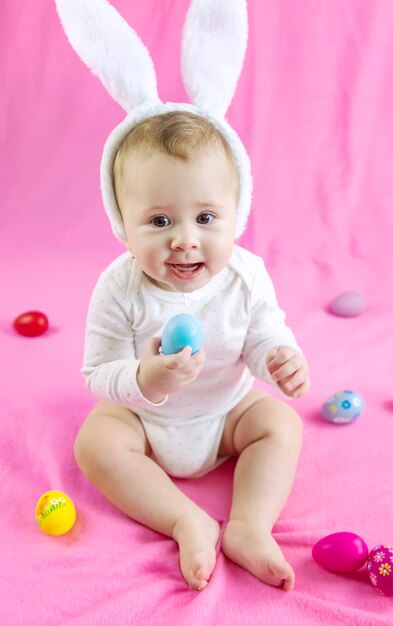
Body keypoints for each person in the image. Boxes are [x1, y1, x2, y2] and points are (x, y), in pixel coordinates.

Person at [75, 110, 310, 592]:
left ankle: (249, 526)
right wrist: (145, 379)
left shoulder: (246, 275)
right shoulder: (119, 287)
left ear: (235, 214)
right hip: (144, 420)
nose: (185, 239)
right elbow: (98, 371)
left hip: (226, 413)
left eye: (206, 218)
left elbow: (264, 333)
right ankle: (187, 521)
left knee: (281, 423)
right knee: (95, 444)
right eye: (159, 221)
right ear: (124, 225)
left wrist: (279, 358)